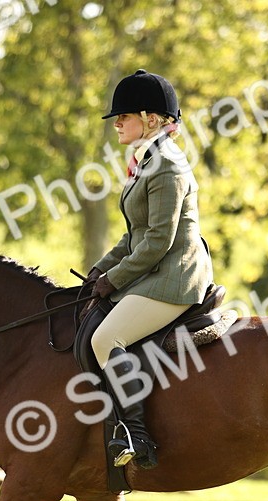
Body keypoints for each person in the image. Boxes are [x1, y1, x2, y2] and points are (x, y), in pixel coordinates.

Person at [87, 69, 213, 469]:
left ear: (152, 119)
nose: (117, 123)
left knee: (106, 338)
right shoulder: (145, 162)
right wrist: (99, 271)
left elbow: (158, 241)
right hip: (157, 268)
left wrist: (116, 279)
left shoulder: (167, 168)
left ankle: (136, 436)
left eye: (124, 117)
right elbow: (133, 236)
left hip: (176, 275)